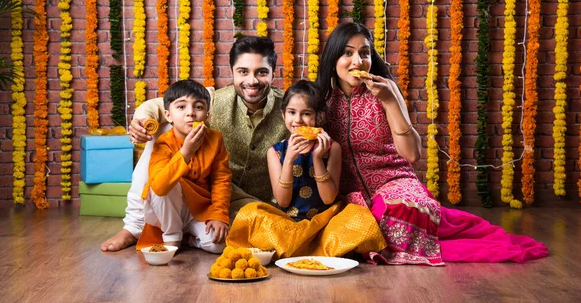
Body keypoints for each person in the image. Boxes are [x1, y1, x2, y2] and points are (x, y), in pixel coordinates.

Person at [314, 22, 548, 265]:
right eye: (348, 53)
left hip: (393, 182)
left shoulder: (386, 90)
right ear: (333, 58)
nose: (358, 61)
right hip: (348, 192)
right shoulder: (322, 100)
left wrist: (390, 102)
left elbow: (412, 154)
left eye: (364, 53)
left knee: (397, 211)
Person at [101, 36, 288, 252]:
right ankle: (133, 227)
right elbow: (162, 105)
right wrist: (142, 121)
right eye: (243, 71)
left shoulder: (290, 109)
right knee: (164, 129)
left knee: (246, 238)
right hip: (195, 188)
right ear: (233, 72)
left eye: (261, 72)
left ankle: (191, 234)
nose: (252, 81)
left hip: (241, 201)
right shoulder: (214, 99)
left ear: (274, 74)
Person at [227, 80, 386, 257]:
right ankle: (309, 248)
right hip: (289, 223)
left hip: (325, 223)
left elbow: (328, 198)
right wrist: (288, 160)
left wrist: (318, 158)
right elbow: (283, 201)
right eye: (292, 112)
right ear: (283, 115)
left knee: (359, 215)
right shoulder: (275, 152)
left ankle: (307, 247)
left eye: (306, 113)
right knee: (250, 213)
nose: (298, 120)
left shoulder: (333, 148)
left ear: (319, 117)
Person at [138, 80, 230, 252]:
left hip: (199, 210)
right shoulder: (163, 144)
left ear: (207, 116)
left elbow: (221, 180)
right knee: (165, 182)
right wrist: (186, 152)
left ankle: (189, 238)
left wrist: (219, 215)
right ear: (168, 115)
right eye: (181, 107)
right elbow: (159, 186)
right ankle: (172, 236)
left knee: (218, 245)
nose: (191, 113)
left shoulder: (215, 139)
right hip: (167, 210)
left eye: (198, 107)